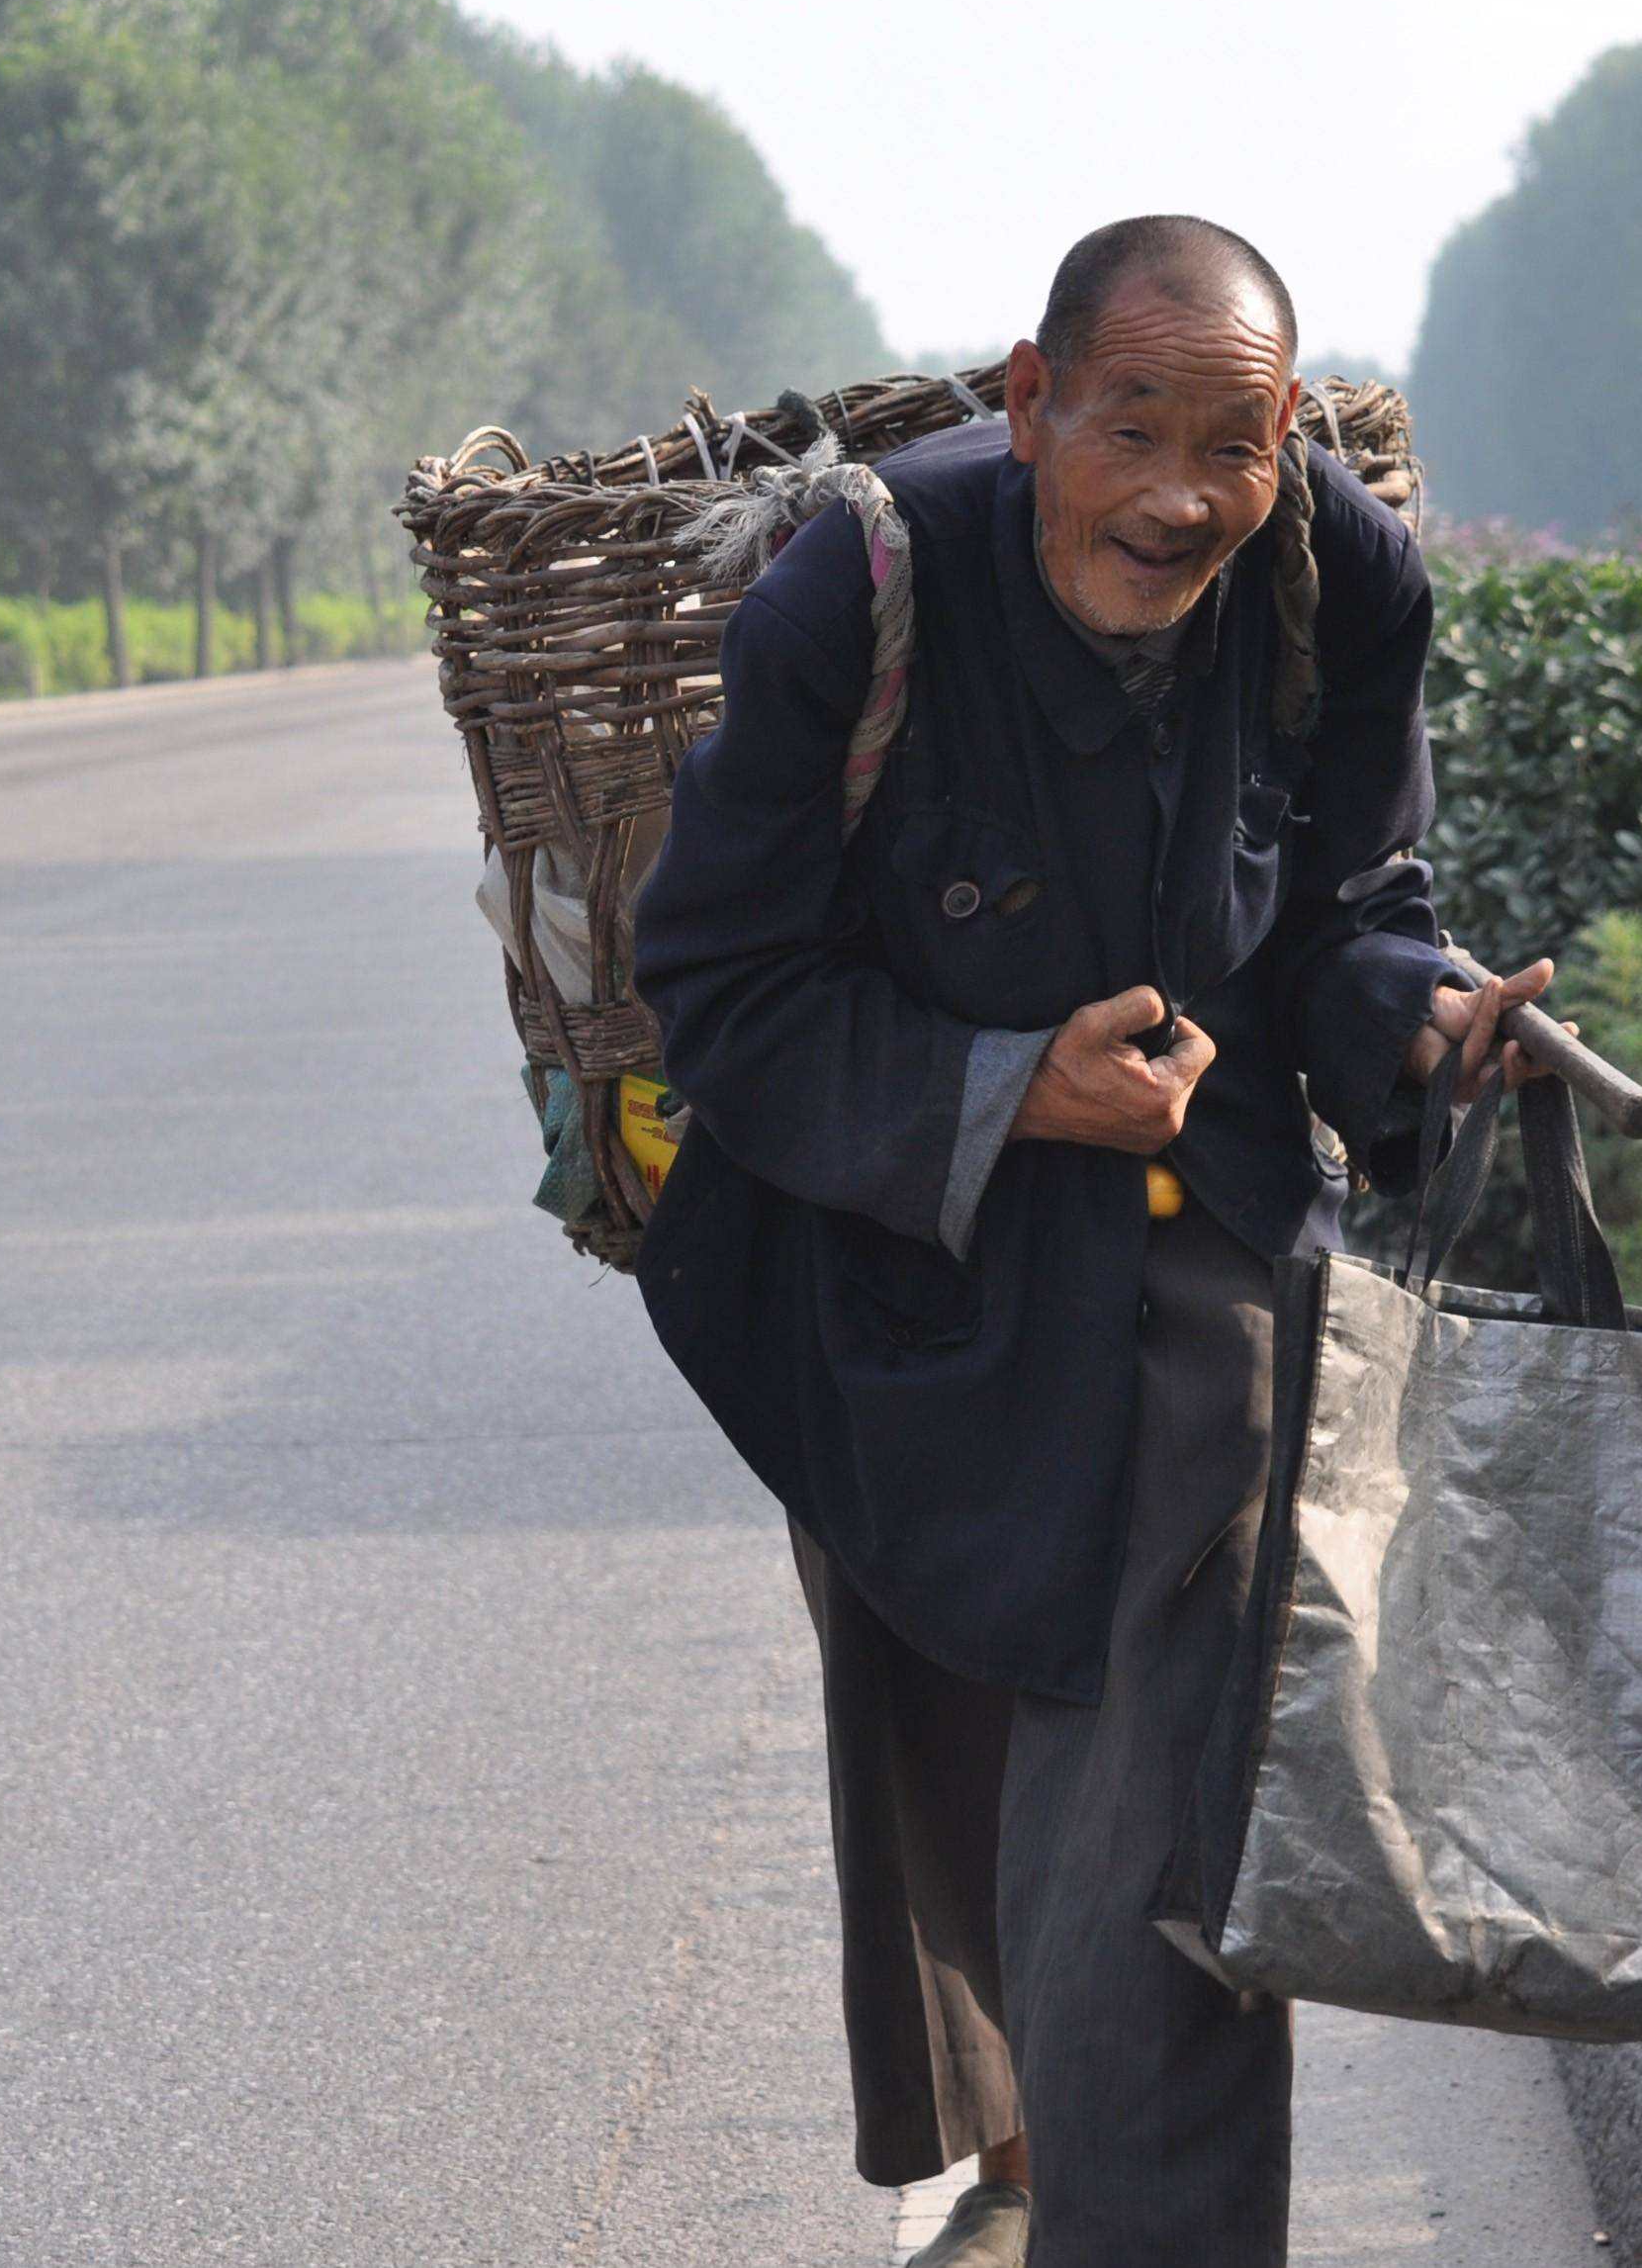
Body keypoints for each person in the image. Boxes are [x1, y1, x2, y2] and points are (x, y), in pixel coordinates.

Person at [629, 216, 1548, 2267]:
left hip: (1194, 1257)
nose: (1176, 496)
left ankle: (1134, 2221)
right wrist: (1004, 1088)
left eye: (1228, 443)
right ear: (1029, 402)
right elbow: (718, 982)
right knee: (954, 1725)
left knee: (1161, 1811)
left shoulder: (1337, 580)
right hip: (882, 1268)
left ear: (1284, 434)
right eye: (1127, 426)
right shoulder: (853, 594)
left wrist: (1419, 1017)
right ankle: (1031, 2157)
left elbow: (1349, 905)